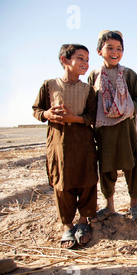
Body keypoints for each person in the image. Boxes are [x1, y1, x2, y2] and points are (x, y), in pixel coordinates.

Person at [32, 44, 98, 249]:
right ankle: (67, 224)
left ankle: (83, 221)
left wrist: (74, 118)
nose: (85, 63)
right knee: (62, 182)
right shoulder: (49, 85)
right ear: (65, 60)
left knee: (87, 180)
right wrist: (47, 115)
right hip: (59, 143)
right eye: (80, 58)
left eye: (87, 59)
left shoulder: (88, 90)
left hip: (83, 142)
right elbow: (37, 109)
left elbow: (91, 117)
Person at [88, 30, 137, 229]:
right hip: (104, 132)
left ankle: (134, 204)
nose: (115, 52)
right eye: (110, 48)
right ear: (99, 51)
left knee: (132, 166)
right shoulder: (94, 76)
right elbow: (90, 103)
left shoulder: (129, 74)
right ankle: (109, 206)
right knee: (106, 168)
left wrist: (130, 109)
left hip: (126, 129)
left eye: (119, 49)